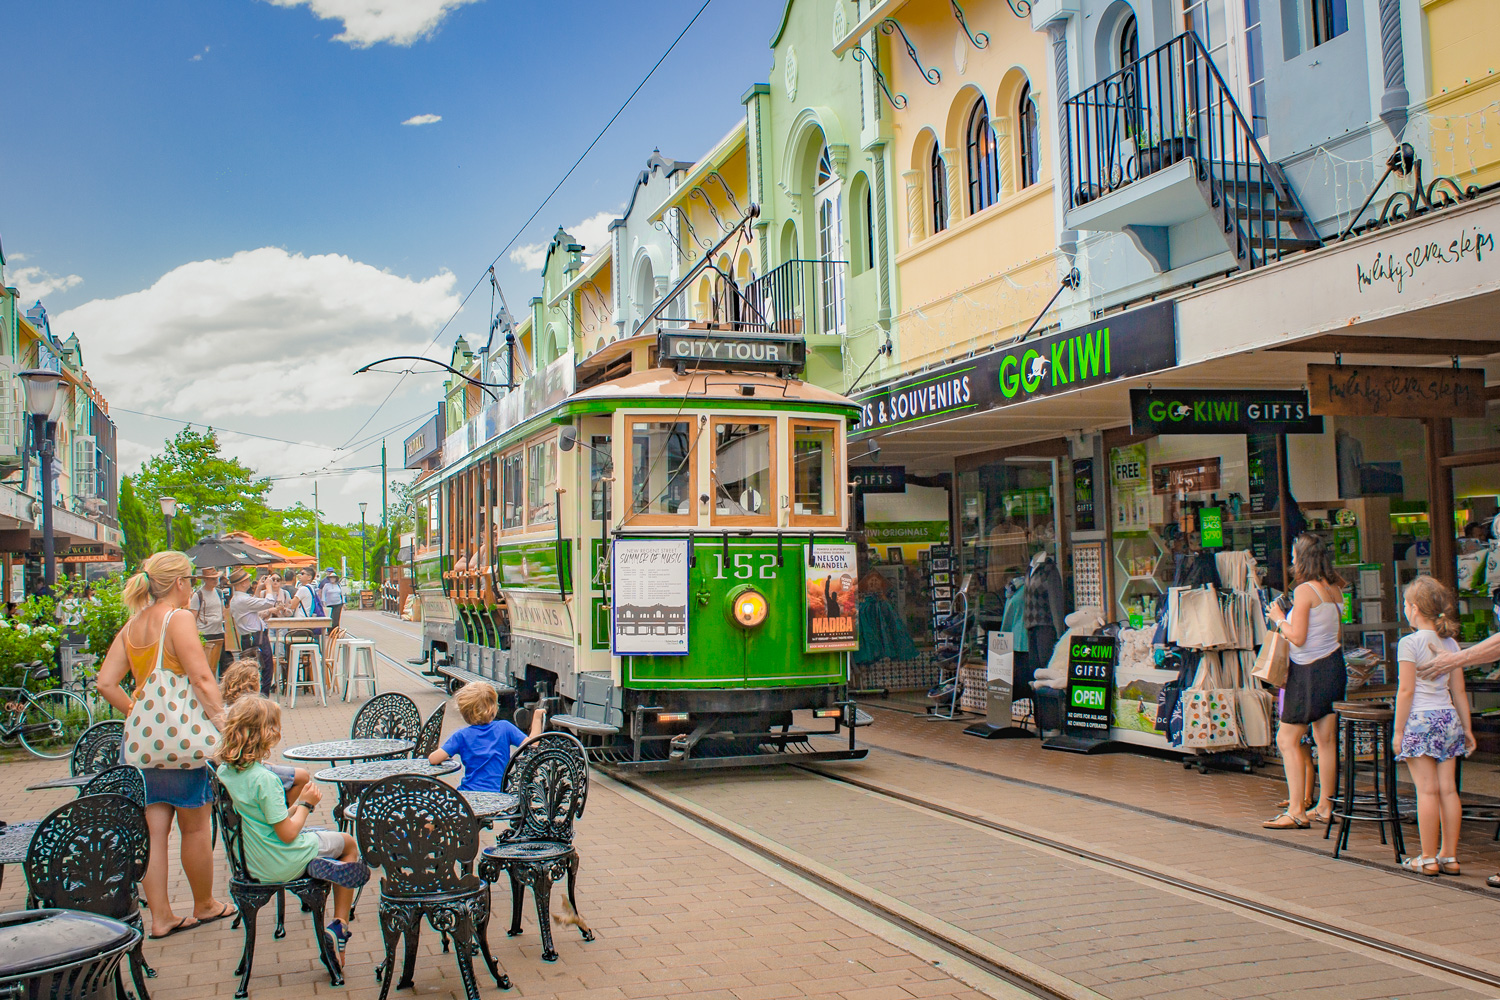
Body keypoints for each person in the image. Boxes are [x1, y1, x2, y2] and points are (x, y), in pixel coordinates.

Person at [94, 550, 235, 939]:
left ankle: (160, 918)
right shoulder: (179, 618)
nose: (191, 586)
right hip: (182, 743)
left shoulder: (134, 624)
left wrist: (136, 712)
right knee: (194, 828)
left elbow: (106, 682)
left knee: (154, 831)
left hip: (144, 747)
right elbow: (202, 680)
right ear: (179, 583)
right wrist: (225, 728)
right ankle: (205, 904)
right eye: (190, 579)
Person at [213, 695, 369, 960]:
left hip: (251, 858)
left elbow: (263, 819)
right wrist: (306, 805)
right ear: (266, 733)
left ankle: (322, 867)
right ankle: (339, 926)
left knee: (318, 836)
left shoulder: (226, 772)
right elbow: (286, 834)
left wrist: (294, 810)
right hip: (279, 858)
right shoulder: (265, 779)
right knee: (348, 843)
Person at [1394, 576, 1476, 876]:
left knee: (1426, 791)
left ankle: (1427, 857)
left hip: (1419, 720)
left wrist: (1399, 731)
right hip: (1448, 719)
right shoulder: (1450, 642)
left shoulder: (1409, 643)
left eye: (1405, 605)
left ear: (1414, 609)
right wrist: (1467, 728)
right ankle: (1449, 856)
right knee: (1448, 791)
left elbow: (1406, 691)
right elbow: (1458, 689)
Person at [1264, 534, 1345, 830]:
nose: (1291, 561)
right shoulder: (1336, 589)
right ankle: (1325, 805)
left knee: (1287, 740)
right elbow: (1335, 635)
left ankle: (1296, 809)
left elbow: (1296, 637)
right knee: (1325, 742)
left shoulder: (1304, 591)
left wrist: (1278, 617)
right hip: (1333, 667)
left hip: (1307, 671)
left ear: (1302, 559)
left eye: (1294, 555)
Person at [221, 660, 311, 805]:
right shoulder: (250, 712)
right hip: (247, 770)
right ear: (253, 684)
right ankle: (279, 814)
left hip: (235, 768)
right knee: (302, 776)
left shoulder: (226, 709)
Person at [428, 681, 545, 792]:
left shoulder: (461, 736)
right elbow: (533, 744)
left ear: (464, 711)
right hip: (498, 796)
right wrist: (537, 717)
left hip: (469, 795)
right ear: (494, 707)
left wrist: (447, 756)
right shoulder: (504, 728)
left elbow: (433, 759)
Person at [228, 569, 288, 696]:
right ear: (243, 583)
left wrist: (259, 589)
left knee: (252, 671)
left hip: (250, 637)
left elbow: (253, 604)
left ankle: (255, 698)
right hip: (256, 637)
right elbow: (269, 602)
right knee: (265, 669)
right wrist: (268, 587)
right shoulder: (242, 600)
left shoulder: (238, 599)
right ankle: (262, 698)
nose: (250, 582)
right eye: (247, 580)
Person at [189, 566, 229, 676]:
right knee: (207, 665)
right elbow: (193, 616)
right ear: (205, 579)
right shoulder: (198, 595)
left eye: (216, 578)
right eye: (212, 578)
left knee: (224, 664)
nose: (215, 581)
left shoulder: (219, 593)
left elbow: (223, 611)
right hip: (205, 633)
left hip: (219, 632)